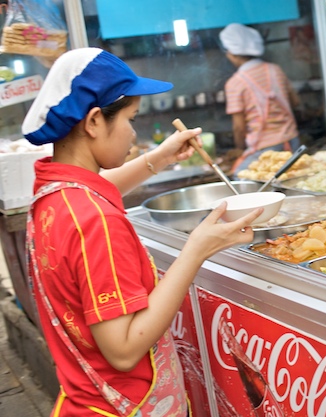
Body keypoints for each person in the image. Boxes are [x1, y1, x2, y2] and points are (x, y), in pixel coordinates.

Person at [21, 47, 264, 416]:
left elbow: (96, 189)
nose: (134, 134)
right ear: (94, 121)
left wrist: (158, 158)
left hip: (84, 398)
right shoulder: (95, 221)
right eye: (131, 119)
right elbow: (123, 349)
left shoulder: (55, 193)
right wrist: (196, 249)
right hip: (124, 407)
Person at [219, 23, 301, 175]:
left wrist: (240, 148)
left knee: (240, 176)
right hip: (293, 142)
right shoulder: (275, 69)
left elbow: (239, 127)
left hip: (265, 148)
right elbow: (295, 102)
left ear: (232, 53)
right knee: (294, 177)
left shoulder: (235, 83)